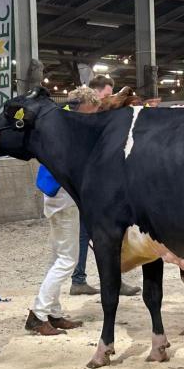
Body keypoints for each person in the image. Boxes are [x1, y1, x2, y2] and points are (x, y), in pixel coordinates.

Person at [71, 76, 140, 296]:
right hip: (78, 185)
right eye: (107, 94)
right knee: (94, 234)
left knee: (89, 234)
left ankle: (87, 278)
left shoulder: (94, 115)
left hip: (87, 184)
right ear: (96, 92)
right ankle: (85, 279)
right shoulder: (81, 116)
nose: (109, 99)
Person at [24, 164, 86, 336]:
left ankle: (53, 313)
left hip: (57, 199)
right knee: (67, 260)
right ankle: (38, 314)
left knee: (57, 259)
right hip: (64, 202)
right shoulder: (70, 139)